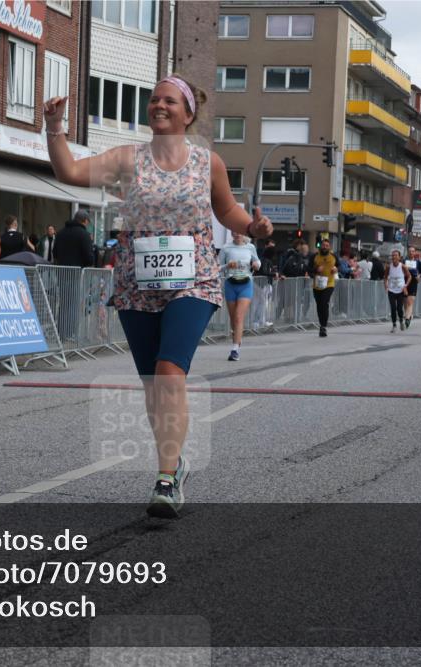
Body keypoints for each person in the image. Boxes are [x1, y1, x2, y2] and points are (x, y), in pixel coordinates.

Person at [45, 76, 272, 519]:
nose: (158, 106)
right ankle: (176, 461)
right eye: (153, 100)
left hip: (195, 281)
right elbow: (69, 172)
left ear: (188, 114)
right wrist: (55, 128)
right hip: (136, 284)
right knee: (154, 386)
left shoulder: (209, 163)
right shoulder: (127, 159)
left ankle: (166, 478)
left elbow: (226, 210)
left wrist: (253, 228)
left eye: (169, 101)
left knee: (170, 374)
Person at [221, 231, 260, 360]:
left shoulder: (250, 247)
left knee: (238, 316)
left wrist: (256, 264)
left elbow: (257, 262)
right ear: (231, 233)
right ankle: (237, 338)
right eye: (234, 231)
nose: (237, 234)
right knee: (233, 319)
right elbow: (216, 267)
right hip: (230, 284)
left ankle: (235, 349)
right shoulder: (226, 248)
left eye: (239, 232)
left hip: (246, 284)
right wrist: (227, 265)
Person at [311, 238, 338, 337]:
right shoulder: (314, 256)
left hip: (329, 284)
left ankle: (323, 326)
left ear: (329, 247)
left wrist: (336, 269)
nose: (325, 247)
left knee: (324, 303)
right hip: (317, 285)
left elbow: (338, 265)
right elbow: (308, 269)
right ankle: (321, 324)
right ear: (320, 246)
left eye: (327, 245)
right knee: (319, 305)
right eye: (323, 245)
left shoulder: (333, 256)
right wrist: (317, 269)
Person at [384, 249, 411, 333]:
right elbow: (385, 277)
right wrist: (386, 285)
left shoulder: (403, 266)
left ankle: (401, 322)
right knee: (393, 308)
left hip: (400, 290)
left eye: (396, 255)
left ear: (399, 257)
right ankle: (394, 325)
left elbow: (409, 276)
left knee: (399, 308)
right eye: (393, 255)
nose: (394, 257)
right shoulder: (389, 267)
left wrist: (405, 286)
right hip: (391, 290)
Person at [403, 246, 420, 328]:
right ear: (407, 252)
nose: (411, 253)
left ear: (415, 252)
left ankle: (407, 319)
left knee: (410, 302)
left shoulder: (418, 262)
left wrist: (419, 277)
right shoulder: (403, 261)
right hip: (405, 283)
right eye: (409, 251)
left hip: (413, 283)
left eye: (412, 251)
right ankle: (408, 315)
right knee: (405, 302)